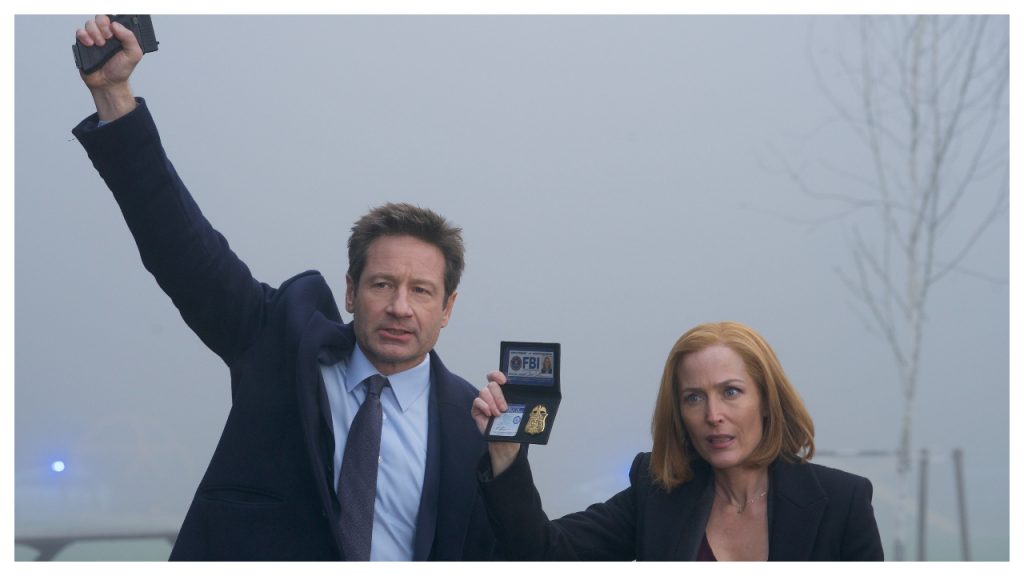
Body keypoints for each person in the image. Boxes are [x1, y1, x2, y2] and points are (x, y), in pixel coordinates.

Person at [72, 16, 494, 561]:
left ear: (448, 308)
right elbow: (181, 247)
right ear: (350, 292)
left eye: (421, 291)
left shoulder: (472, 424)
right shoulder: (280, 346)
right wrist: (115, 95)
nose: (398, 307)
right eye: (382, 284)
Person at [472, 321, 884, 560]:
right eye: (694, 398)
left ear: (765, 400)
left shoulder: (842, 502)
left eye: (731, 392)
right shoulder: (658, 493)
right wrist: (506, 452)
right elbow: (542, 554)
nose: (713, 415)